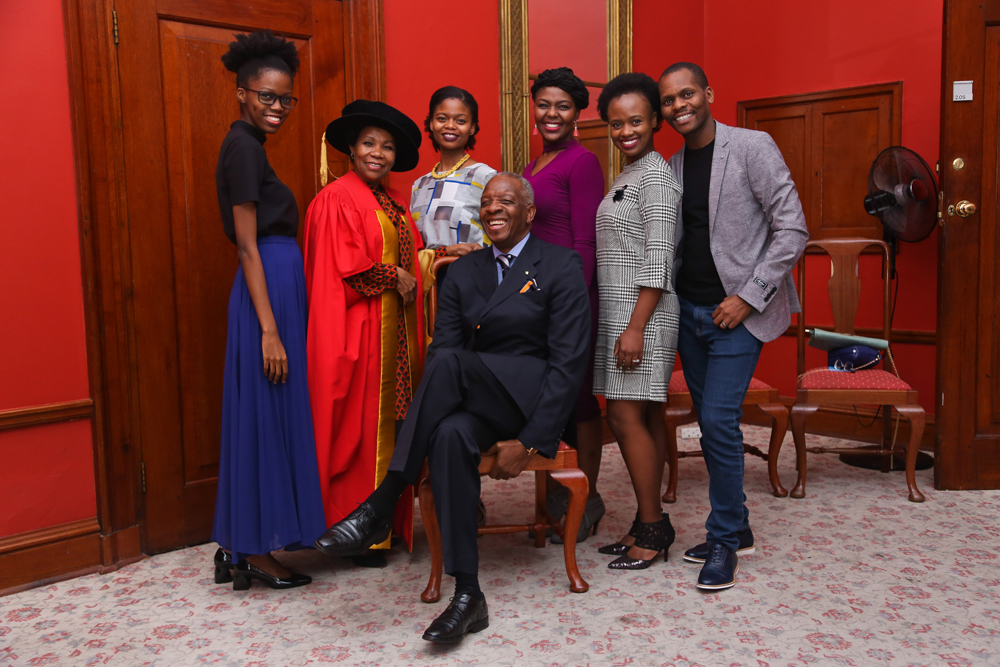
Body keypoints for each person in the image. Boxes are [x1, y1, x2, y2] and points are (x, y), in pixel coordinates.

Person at [314, 173, 591, 643]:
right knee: (447, 434)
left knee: (447, 365)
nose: (494, 209)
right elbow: (447, 349)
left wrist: (529, 442)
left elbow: (570, 364)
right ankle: (468, 596)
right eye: (486, 203)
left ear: (529, 213)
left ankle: (384, 499)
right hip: (476, 396)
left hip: (529, 400)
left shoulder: (561, 265)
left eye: (506, 201)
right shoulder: (463, 271)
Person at [658, 62, 808, 590]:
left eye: (687, 94)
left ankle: (723, 539)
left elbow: (793, 229)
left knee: (717, 422)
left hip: (738, 315)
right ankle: (738, 526)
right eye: (670, 100)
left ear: (709, 94)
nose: (680, 106)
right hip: (691, 314)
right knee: (710, 415)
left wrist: (747, 298)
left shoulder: (752, 146)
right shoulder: (672, 166)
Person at [303, 100, 461, 567]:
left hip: (388, 340)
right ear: (351, 148)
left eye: (388, 147)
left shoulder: (388, 202)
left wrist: (446, 255)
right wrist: (394, 277)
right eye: (370, 143)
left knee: (390, 425)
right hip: (355, 335)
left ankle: (379, 526)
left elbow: (411, 262)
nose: (379, 153)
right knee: (355, 429)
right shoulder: (337, 198)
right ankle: (351, 530)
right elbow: (349, 270)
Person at [211, 29, 326, 590]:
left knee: (268, 414)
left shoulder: (251, 147)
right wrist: (269, 330)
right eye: (266, 96)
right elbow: (247, 245)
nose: (277, 107)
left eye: (286, 98)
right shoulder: (241, 148)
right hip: (266, 296)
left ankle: (239, 542)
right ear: (242, 93)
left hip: (277, 287)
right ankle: (253, 550)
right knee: (263, 414)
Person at [593, 73, 681, 571]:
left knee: (623, 417)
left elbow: (658, 258)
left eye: (636, 121)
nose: (625, 130)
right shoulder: (631, 172)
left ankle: (653, 526)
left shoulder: (656, 178)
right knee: (643, 417)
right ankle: (646, 522)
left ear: (655, 122)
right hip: (626, 314)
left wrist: (635, 327)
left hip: (642, 315)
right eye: (616, 122)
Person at [523, 67, 606, 543]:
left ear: (577, 113)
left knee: (576, 398)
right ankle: (559, 495)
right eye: (544, 105)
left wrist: (568, 304)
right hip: (535, 296)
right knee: (546, 395)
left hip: (570, 298)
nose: (551, 114)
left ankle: (585, 499)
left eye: (562, 106)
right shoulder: (534, 166)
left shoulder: (582, 162)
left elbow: (585, 241)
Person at [410, 86, 497, 250]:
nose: (450, 125)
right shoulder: (419, 185)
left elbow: (502, 236)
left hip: (471, 273)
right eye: (442, 118)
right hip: (427, 275)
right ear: (431, 123)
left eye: (460, 121)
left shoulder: (486, 177)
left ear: (472, 128)